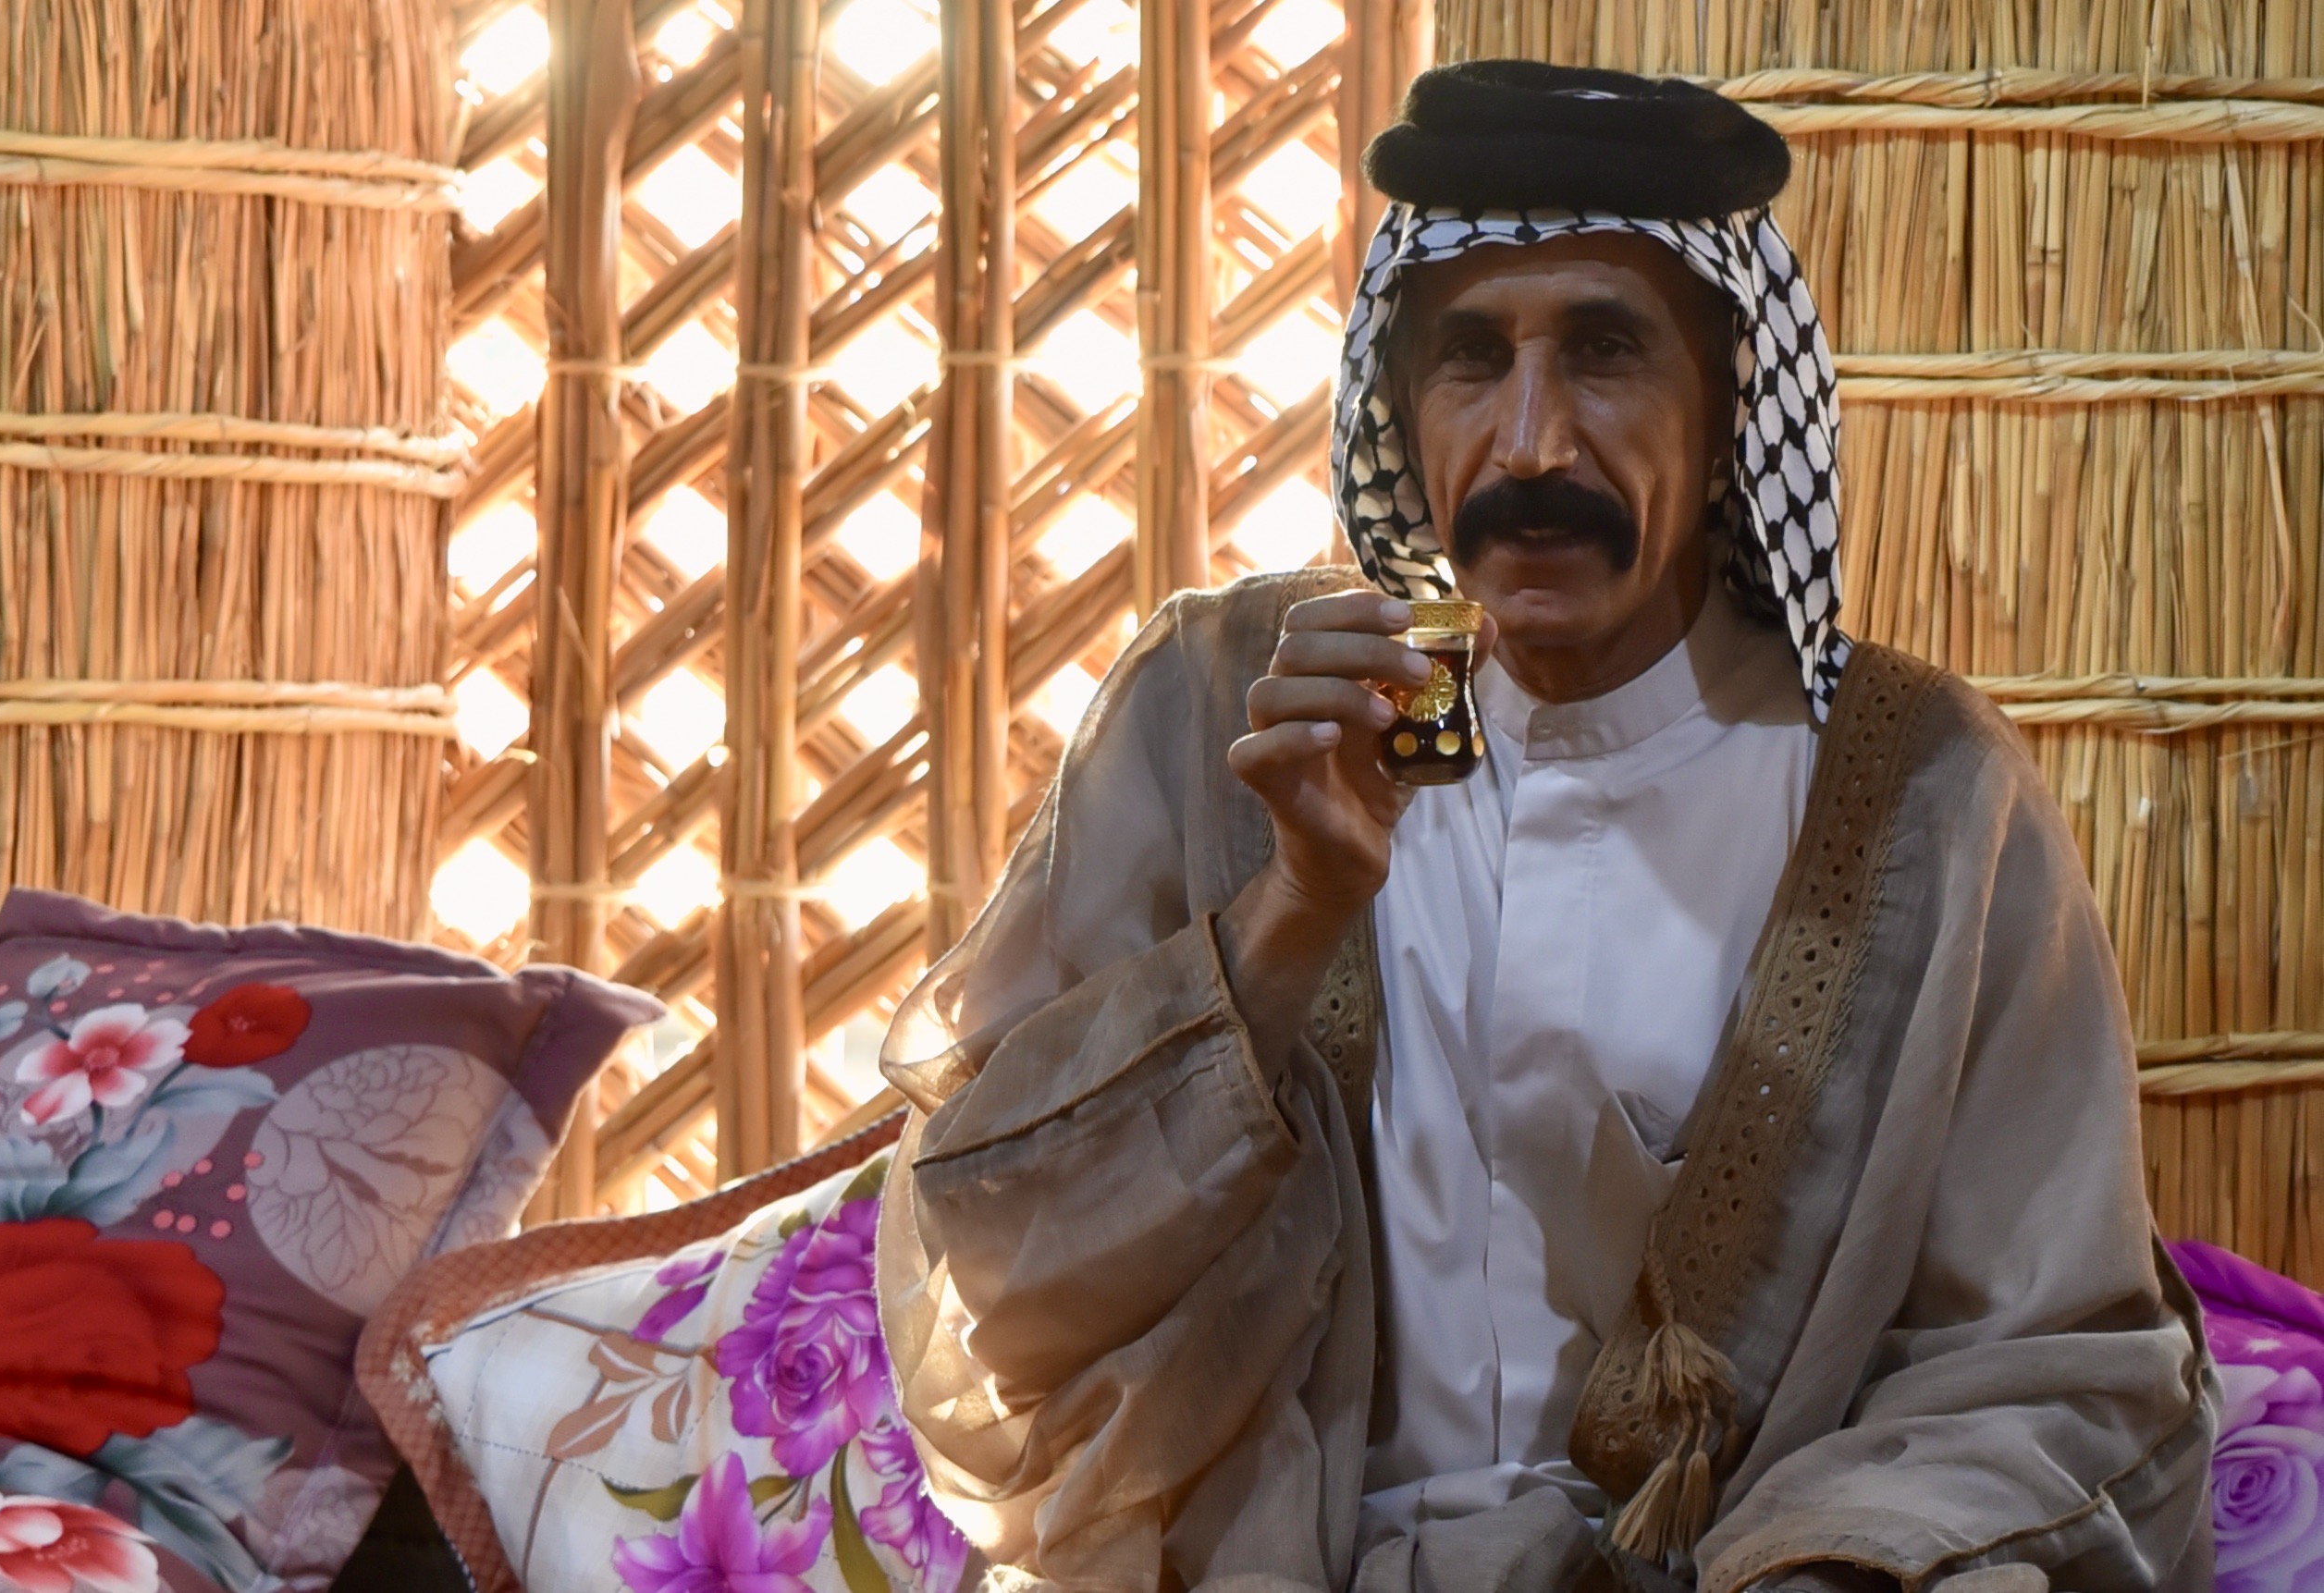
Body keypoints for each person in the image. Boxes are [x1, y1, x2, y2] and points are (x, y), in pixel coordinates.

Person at [871, 59, 2215, 1593]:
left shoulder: (1917, 795)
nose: (1529, 444)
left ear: (1727, 417)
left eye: (1604, 352)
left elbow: (2053, 1363)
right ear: (1402, 403)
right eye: (1468, 360)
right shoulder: (1215, 714)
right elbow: (1000, 1263)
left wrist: (1838, 1562)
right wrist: (1294, 910)